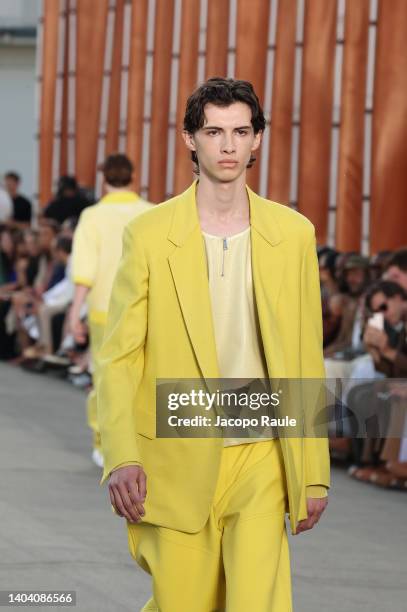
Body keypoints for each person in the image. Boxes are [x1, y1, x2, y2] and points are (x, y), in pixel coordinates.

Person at [97, 78, 330, 611]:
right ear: (189, 140)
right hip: (175, 449)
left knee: (256, 604)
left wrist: (313, 473)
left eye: (240, 131)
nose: (228, 145)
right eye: (214, 131)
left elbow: (304, 355)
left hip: (262, 450)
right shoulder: (150, 233)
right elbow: (119, 356)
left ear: (257, 140)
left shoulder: (293, 233)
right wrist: (121, 456)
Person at [70, 154, 153, 468]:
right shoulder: (150, 212)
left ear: (104, 178)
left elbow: (84, 269)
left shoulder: (92, 216)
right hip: (145, 305)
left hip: (105, 307)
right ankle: (142, 444)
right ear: (133, 177)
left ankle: (104, 444)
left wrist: (73, 312)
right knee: (142, 377)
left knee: (105, 377)